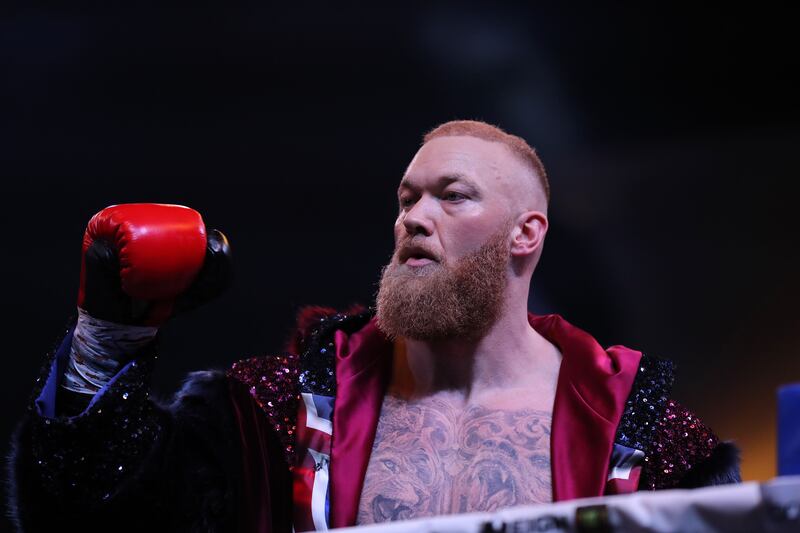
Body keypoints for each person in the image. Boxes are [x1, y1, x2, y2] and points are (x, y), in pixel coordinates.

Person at [6, 121, 740, 532]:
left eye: (451, 196)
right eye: (406, 198)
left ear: (527, 233)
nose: (413, 218)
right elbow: (87, 515)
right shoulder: (277, 412)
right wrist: (109, 336)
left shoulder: (642, 433)